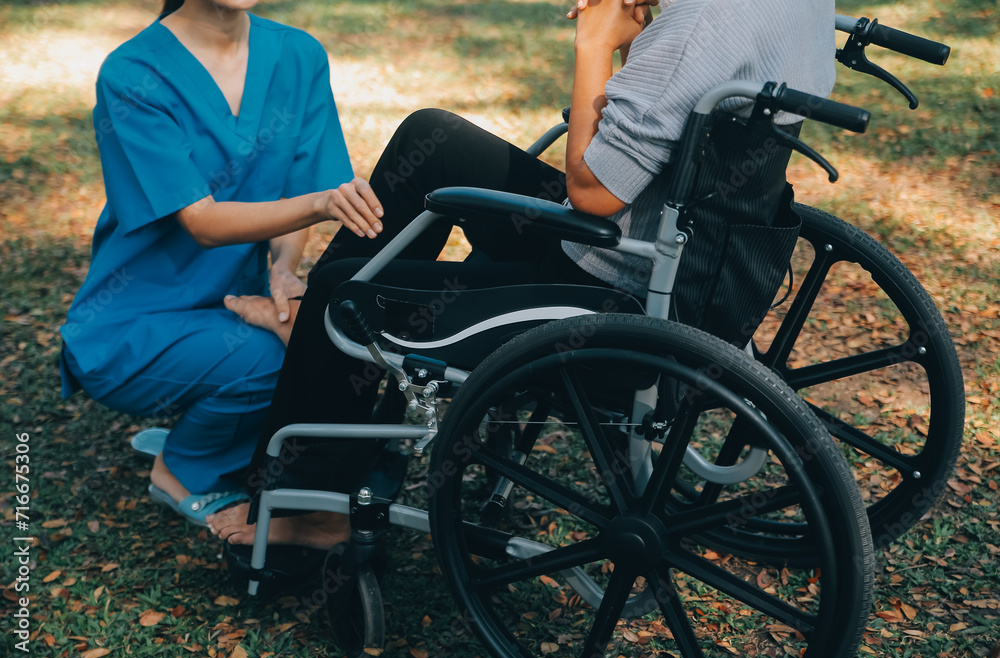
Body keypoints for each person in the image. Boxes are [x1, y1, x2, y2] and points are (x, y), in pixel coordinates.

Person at [205, 0, 837, 547]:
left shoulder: (700, 25)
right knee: (433, 137)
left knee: (344, 287)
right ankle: (344, 384)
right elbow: (661, 122)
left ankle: (310, 508)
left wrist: (593, 42)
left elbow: (592, 190)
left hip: (613, 280)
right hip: (689, 256)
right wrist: (640, 39)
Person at [59, 0, 389, 524]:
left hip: (235, 304)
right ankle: (183, 469)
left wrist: (283, 269)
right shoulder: (134, 73)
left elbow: (301, 185)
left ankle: (210, 411)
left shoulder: (298, 55)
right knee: (277, 358)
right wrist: (322, 204)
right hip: (135, 319)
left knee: (313, 338)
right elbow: (203, 222)